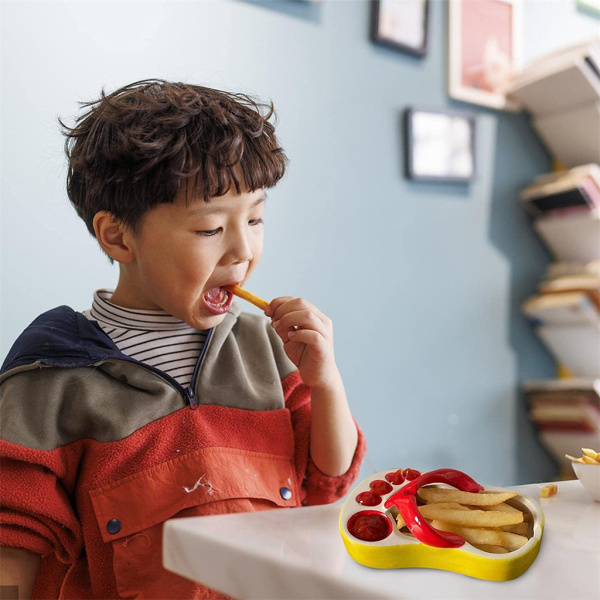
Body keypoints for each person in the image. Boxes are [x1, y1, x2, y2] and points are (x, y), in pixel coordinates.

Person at [0, 80, 365, 599]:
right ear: (118, 236)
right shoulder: (49, 374)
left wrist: (326, 382)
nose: (243, 250)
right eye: (210, 229)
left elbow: (326, 481)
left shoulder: (265, 344)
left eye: (256, 218)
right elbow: (13, 546)